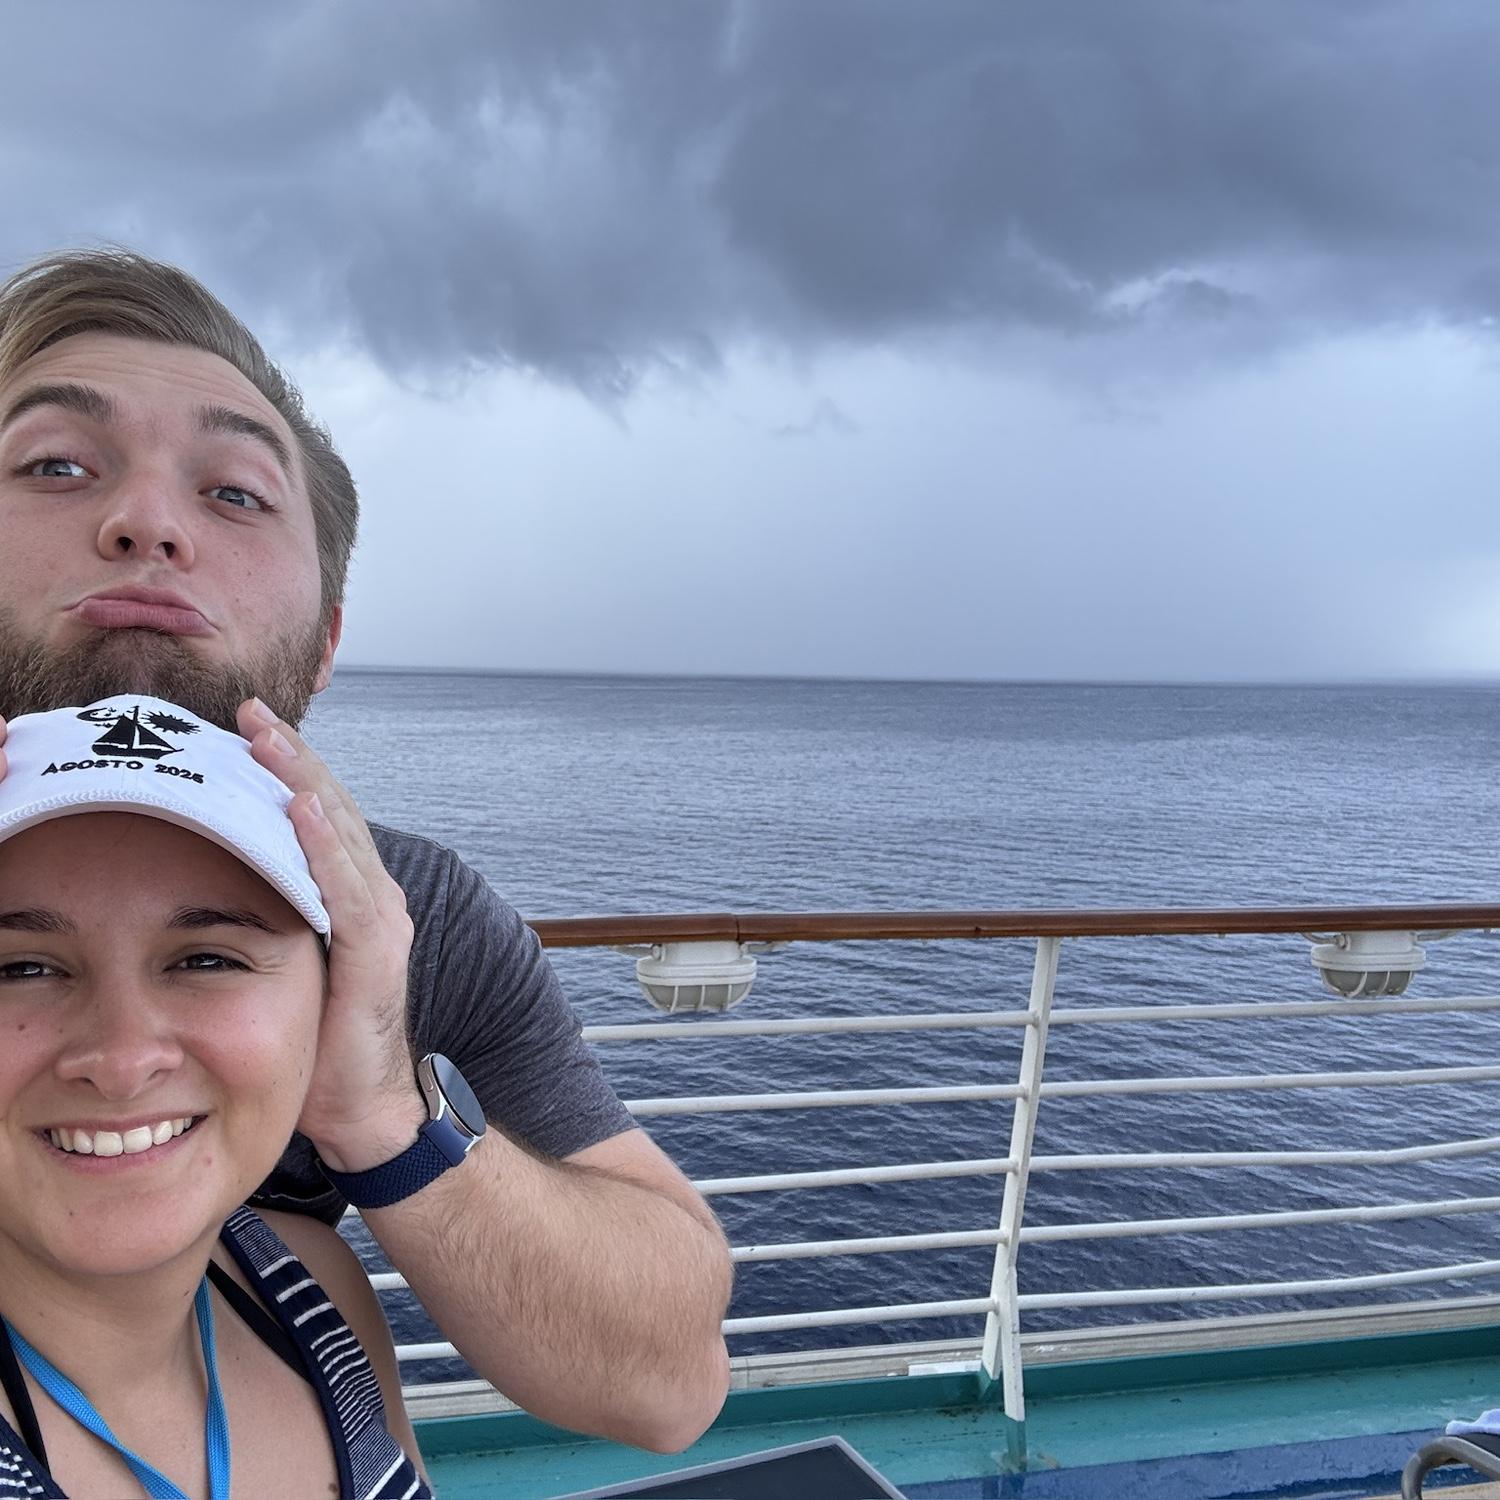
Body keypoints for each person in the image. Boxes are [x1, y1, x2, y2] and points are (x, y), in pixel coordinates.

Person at [0, 249, 732, 1452]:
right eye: (56, 466)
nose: (147, 525)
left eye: (235, 493)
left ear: (327, 635)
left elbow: (666, 1380)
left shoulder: (400, 916)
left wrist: (385, 1110)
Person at [0, 696, 430, 1498]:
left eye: (206, 960)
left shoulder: (314, 1286)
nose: (122, 1062)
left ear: (330, 999)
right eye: (20, 968)